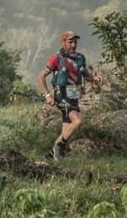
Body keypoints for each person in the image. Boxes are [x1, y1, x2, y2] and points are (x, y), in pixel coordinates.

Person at [37, 30, 102, 160]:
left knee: (66, 130)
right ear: (63, 42)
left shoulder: (80, 58)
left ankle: (51, 154)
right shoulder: (56, 58)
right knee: (77, 121)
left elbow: (85, 74)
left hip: (73, 95)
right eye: (70, 42)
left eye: (75, 42)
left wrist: (94, 78)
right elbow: (41, 76)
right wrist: (47, 95)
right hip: (61, 93)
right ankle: (60, 147)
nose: (73, 45)